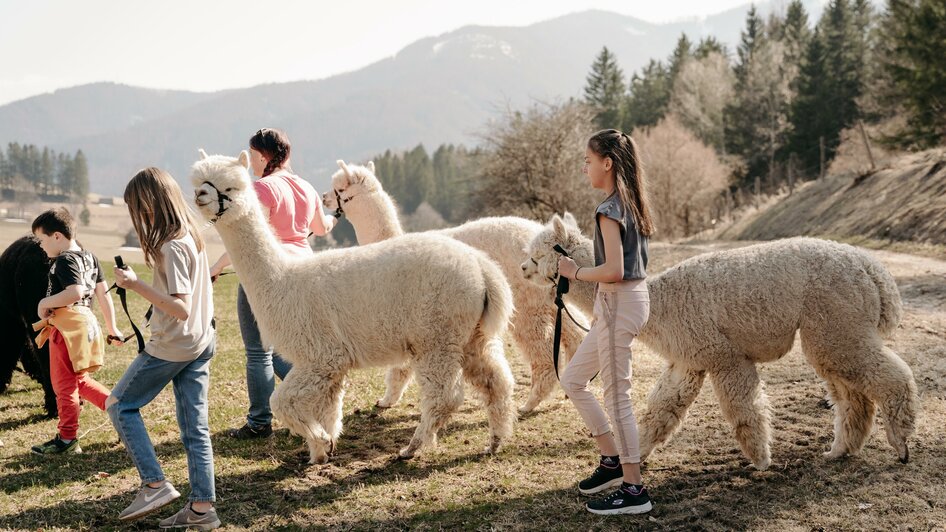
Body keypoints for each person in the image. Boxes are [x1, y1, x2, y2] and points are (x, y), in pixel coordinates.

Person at [107, 167, 220, 530]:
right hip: (201, 339)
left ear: (152, 203)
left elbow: (180, 306)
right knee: (195, 428)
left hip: (175, 344)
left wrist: (136, 284)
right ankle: (202, 511)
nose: (138, 216)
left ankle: (154, 484)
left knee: (120, 405)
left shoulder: (171, 246)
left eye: (138, 207)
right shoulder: (191, 236)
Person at [209, 127, 335, 439]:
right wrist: (334, 215)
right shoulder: (305, 187)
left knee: (258, 351)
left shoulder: (262, 189)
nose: (250, 163)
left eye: (252, 156)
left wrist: (214, 268)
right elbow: (320, 229)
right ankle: (313, 400)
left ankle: (259, 421)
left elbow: (249, 239)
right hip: (305, 273)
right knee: (289, 347)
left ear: (264, 156)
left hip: (267, 276)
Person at [557, 129, 657, 516]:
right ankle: (612, 461)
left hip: (619, 303)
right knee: (573, 379)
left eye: (588, 160)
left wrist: (574, 271)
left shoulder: (608, 210)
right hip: (623, 302)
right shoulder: (629, 203)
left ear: (607, 163)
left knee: (618, 397)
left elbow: (614, 270)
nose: (585, 168)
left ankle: (634, 491)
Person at [30, 207, 123, 455]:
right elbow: (103, 295)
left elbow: (75, 292)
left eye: (42, 239)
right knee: (80, 381)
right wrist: (112, 328)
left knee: (64, 386)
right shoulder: (90, 257)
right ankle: (123, 413)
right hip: (87, 324)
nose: (40, 246)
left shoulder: (64, 260)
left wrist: (44, 303)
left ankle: (67, 438)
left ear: (57, 236)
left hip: (68, 328)